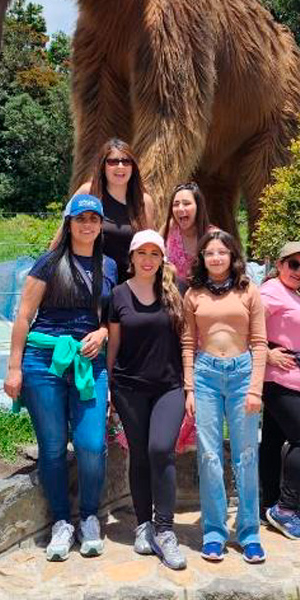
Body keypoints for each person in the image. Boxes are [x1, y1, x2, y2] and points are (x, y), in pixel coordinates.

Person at [4, 194, 117, 561]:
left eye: (94, 219)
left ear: (100, 225)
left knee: (91, 443)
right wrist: (14, 367)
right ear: (69, 223)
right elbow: (24, 315)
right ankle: (61, 521)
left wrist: (102, 333)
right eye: (81, 218)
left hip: (88, 362)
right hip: (43, 361)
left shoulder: (109, 266)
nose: (87, 225)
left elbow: (110, 317)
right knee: (52, 447)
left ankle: (89, 516)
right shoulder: (49, 262)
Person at [182, 230, 267, 563]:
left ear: (232, 256)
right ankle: (214, 532)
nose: (216, 258)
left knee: (246, 455)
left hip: (242, 373)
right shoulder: (193, 294)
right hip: (205, 375)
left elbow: (260, 343)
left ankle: (249, 533)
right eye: (209, 253)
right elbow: (188, 343)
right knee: (209, 456)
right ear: (202, 258)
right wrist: (190, 387)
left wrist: (255, 389)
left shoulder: (249, 291)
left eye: (222, 252)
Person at [106, 230, 187, 570]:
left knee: (160, 449)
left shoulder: (176, 290)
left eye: (155, 253)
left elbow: (187, 339)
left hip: (170, 386)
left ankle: (165, 529)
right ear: (132, 257)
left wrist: (191, 383)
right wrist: (108, 386)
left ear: (162, 258)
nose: (148, 260)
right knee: (139, 454)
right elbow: (113, 343)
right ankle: (144, 525)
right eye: (142, 253)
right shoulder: (117, 295)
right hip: (129, 387)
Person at [259, 242, 300, 541]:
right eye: (293, 264)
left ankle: (268, 505)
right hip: (277, 379)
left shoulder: (294, 293)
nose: (299, 271)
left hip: (293, 378)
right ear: (279, 264)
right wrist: (266, 353)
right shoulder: (271, 291)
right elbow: (247, 323)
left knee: (272, 441)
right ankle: (285, 509)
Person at [78, 139, 156, 282]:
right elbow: (63, 233)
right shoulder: (88, 193)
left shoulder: (144, 202)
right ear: (103, 166)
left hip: (131, 285)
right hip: (92, 282)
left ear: (133, 167)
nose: (120, 166)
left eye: (126, 161)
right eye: (113, 161)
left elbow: (149, 246)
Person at [162, 182, 212, 291]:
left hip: (202, 294)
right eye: (176, 204)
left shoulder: (212, 236)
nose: (180, 208)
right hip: (171, 293)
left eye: (186, 203)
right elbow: (154, 251)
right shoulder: (170, 227)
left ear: (198, 206)